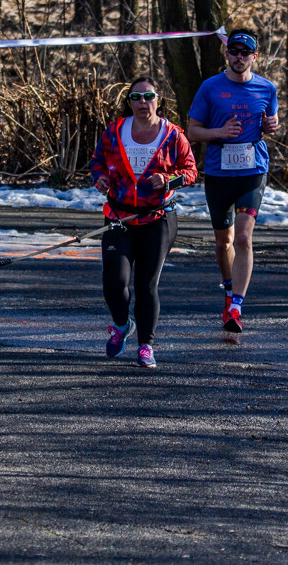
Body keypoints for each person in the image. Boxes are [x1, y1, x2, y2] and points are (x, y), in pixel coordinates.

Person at [89, 77, 197, 368]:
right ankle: (123, 325)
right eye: (136, 97)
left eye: (148, 96)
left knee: (146, 284)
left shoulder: (173, 135)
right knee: (115, 282)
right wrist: (99, 178)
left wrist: (167, 180)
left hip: (157, 218)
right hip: (119, 216)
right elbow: (97, 162)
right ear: (129, 102)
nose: (142, 102)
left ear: (158, 101)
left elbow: (190, 171)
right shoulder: (114, 132)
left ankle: (146, 345)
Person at [187, 28, 279, 334]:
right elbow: (192, 131)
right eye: (234, 52)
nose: (239, 58)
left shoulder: (267, 88)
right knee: (222, 242)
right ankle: (228, 288)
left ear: (255, 56)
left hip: (253, 171)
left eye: (245, 53)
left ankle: (236, 305)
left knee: (243, 238)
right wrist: (218, 134)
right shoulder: (210, 88)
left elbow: (270, 123)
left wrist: (272, 125)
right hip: (218, 172)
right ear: (227, 54)